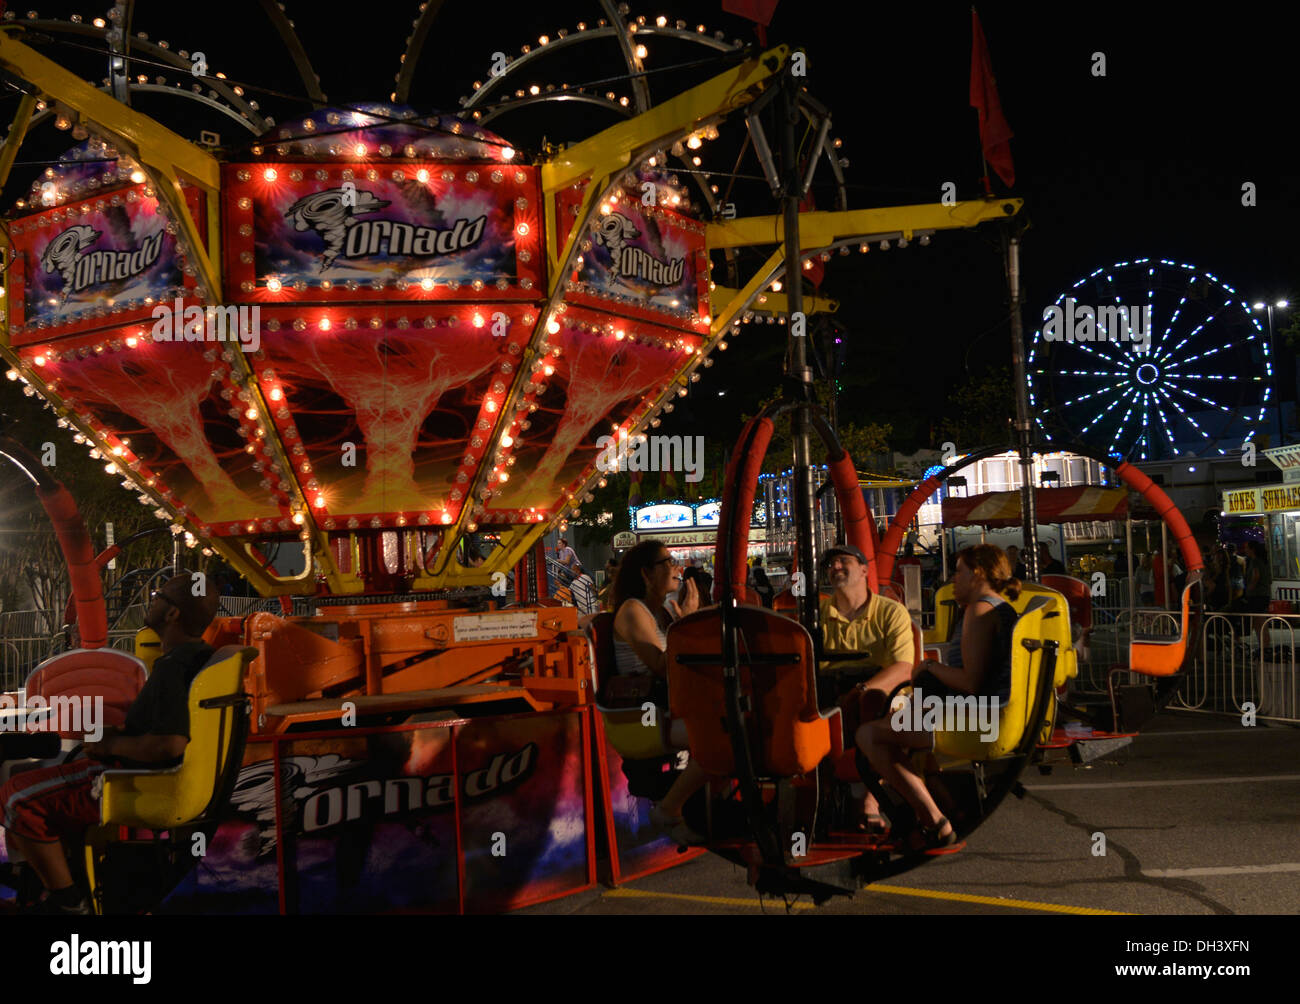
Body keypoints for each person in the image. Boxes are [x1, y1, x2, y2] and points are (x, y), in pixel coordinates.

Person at [0, 575, 220, 914]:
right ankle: (40, 887)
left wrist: (110, 746)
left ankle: (69, 904)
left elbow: (170, 744)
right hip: (129, 770)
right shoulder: (193, 657)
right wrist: (120, 731)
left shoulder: (173, 667)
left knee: (16, 797)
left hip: (124, 777)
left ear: (173, 614)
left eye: (157, 595)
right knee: (34, 778)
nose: (152, 600)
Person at [857, 545, 1019, 850]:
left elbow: (971, 682)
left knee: (869, 735)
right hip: (989, 713)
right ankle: (945, 808)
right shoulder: (1002, 607)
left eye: (959, 571)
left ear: (978, 573)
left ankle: (935, 822)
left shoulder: (980, 610)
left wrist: (928, 667)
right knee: (899, 730)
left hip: (978, 717)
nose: (953, 578)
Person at [610, 541, 707, 844]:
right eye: (668, 561)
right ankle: (669, 809)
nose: (677, 567)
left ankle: (707, 813)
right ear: (646, 574)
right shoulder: (632, 610)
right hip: (644, 715)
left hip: (670, 704)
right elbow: (662, 668)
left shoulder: (662, 611)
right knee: (720, 738)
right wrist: (688, 622)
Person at [819, 543, 914, 832]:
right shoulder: (817, 614)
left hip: (880, 687)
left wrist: (860, 691)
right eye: (831, 563)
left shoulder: (890, 612)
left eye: (843, 561)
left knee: (874, 703)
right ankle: (817, 796)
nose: (836, 567)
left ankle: (871, 799)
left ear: (863, 569)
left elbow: (903, 667)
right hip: (831, 687)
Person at [1244, 540, 1271, 614]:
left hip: (1256, 595)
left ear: (1252, 549)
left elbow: (1256, 576)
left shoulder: (1255, 561)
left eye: (1246, 548)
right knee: (1262, 618)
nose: (1245, 550)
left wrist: (1248, 590)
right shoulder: (1264, 561)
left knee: (1256, 618)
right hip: (1265, 594)